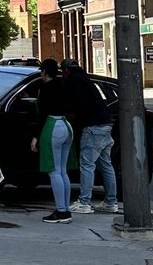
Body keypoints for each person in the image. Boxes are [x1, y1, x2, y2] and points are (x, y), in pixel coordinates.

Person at [61, 57, 118, 214]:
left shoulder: (74, 81)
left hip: (92, 127)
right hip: (106, 124)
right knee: (106, 165)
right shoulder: (85, 79)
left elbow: (77, 104)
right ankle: (111, 202)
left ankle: (84, 202)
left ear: (66, 70)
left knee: (87, 164)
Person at [30, 58, 74, 223]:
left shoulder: (45, 88)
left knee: (54, 171)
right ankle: (66, 209)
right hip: (65, 125)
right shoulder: (63, 85)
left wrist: (35, 137)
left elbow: (41, 114)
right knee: (63, 171)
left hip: (52, 126)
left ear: (44, 72)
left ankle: (61, 211)